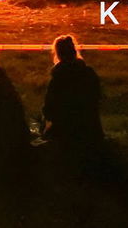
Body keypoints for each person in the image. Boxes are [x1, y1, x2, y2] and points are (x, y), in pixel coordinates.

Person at [40, 34, 105, 174]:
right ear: (74, 51)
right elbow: (98, 97)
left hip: (66, 131)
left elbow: (49, 108)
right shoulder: (88, 73)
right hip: (91, 128)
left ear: (58, 54)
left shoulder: (58, 77)